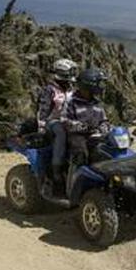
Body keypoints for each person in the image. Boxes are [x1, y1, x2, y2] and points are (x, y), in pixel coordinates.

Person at [37, 58, 77, 188]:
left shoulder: (71, 88)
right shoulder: (50, 89)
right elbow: (44, 108)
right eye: (70, 73)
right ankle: (56, 168)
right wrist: (42, 125)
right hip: (52, 121)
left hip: (68, 119)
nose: (72, 75)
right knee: (61, 132)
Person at [64, 68, 111, 163]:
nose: (101, 86)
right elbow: (66, 121)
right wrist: (84, 127)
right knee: (80, 153)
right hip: (77, 136)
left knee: (109, 150)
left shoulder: (97, 103)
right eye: (99, 83)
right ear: (90, 85)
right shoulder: (71, 101)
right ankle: (74, 175)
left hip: (96, 135)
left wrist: (104, 127)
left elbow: (104, 120)